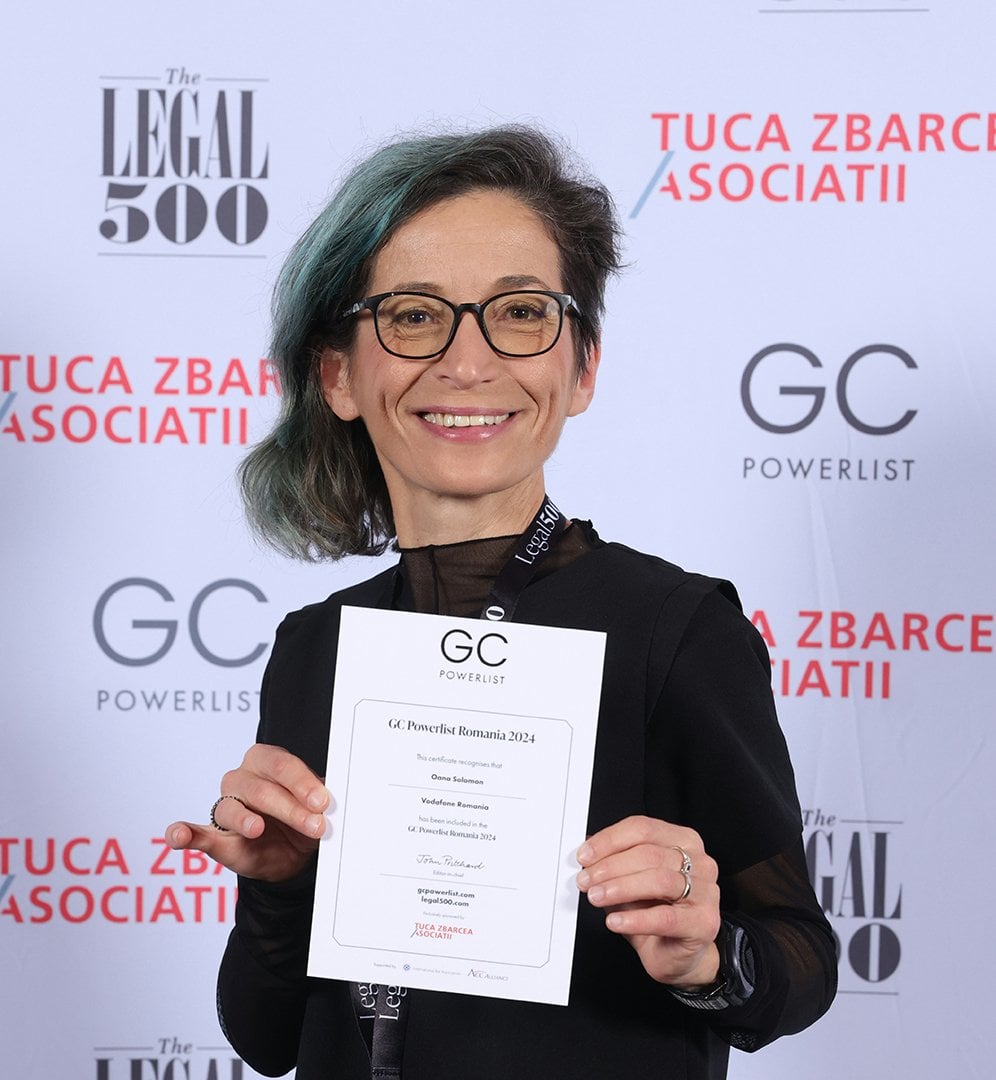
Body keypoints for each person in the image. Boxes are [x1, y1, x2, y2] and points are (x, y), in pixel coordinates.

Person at [166, 125, 836, 1080]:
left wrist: (707, 957)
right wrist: (278, 890)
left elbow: (802, 963)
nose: (469, 363)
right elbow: (266, 1040)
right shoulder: (317, 645)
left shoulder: (675, 631)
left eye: (520, 313)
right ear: (339, 375)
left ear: (581, 367)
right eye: (413, 315)